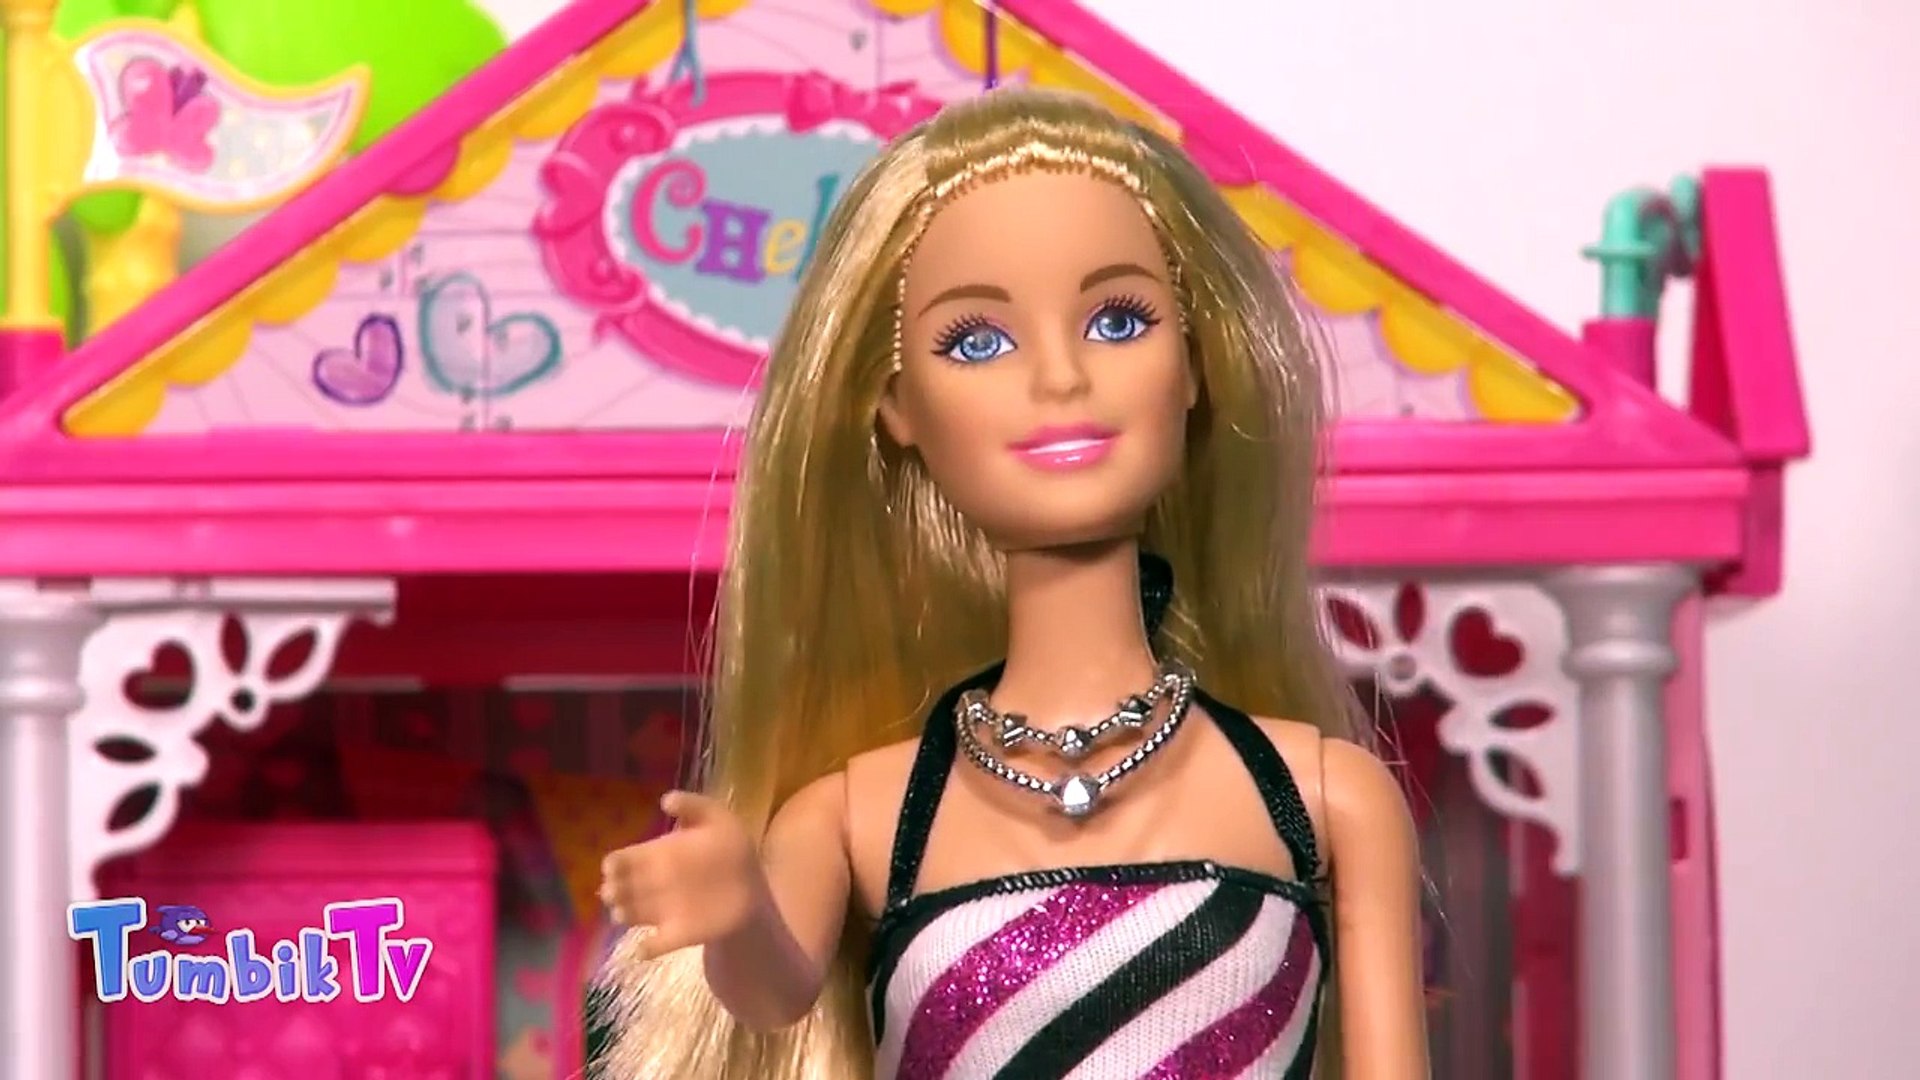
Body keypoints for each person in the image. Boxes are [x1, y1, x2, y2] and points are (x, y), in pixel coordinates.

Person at [595, 86, 1429, 1079]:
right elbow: (774, 993)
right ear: (898, 407)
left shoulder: (1323, 796)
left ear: (1196, 367)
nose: (1060, 379)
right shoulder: (858, 815)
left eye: (1117, 320)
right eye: (977, 342)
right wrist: (736, 915)